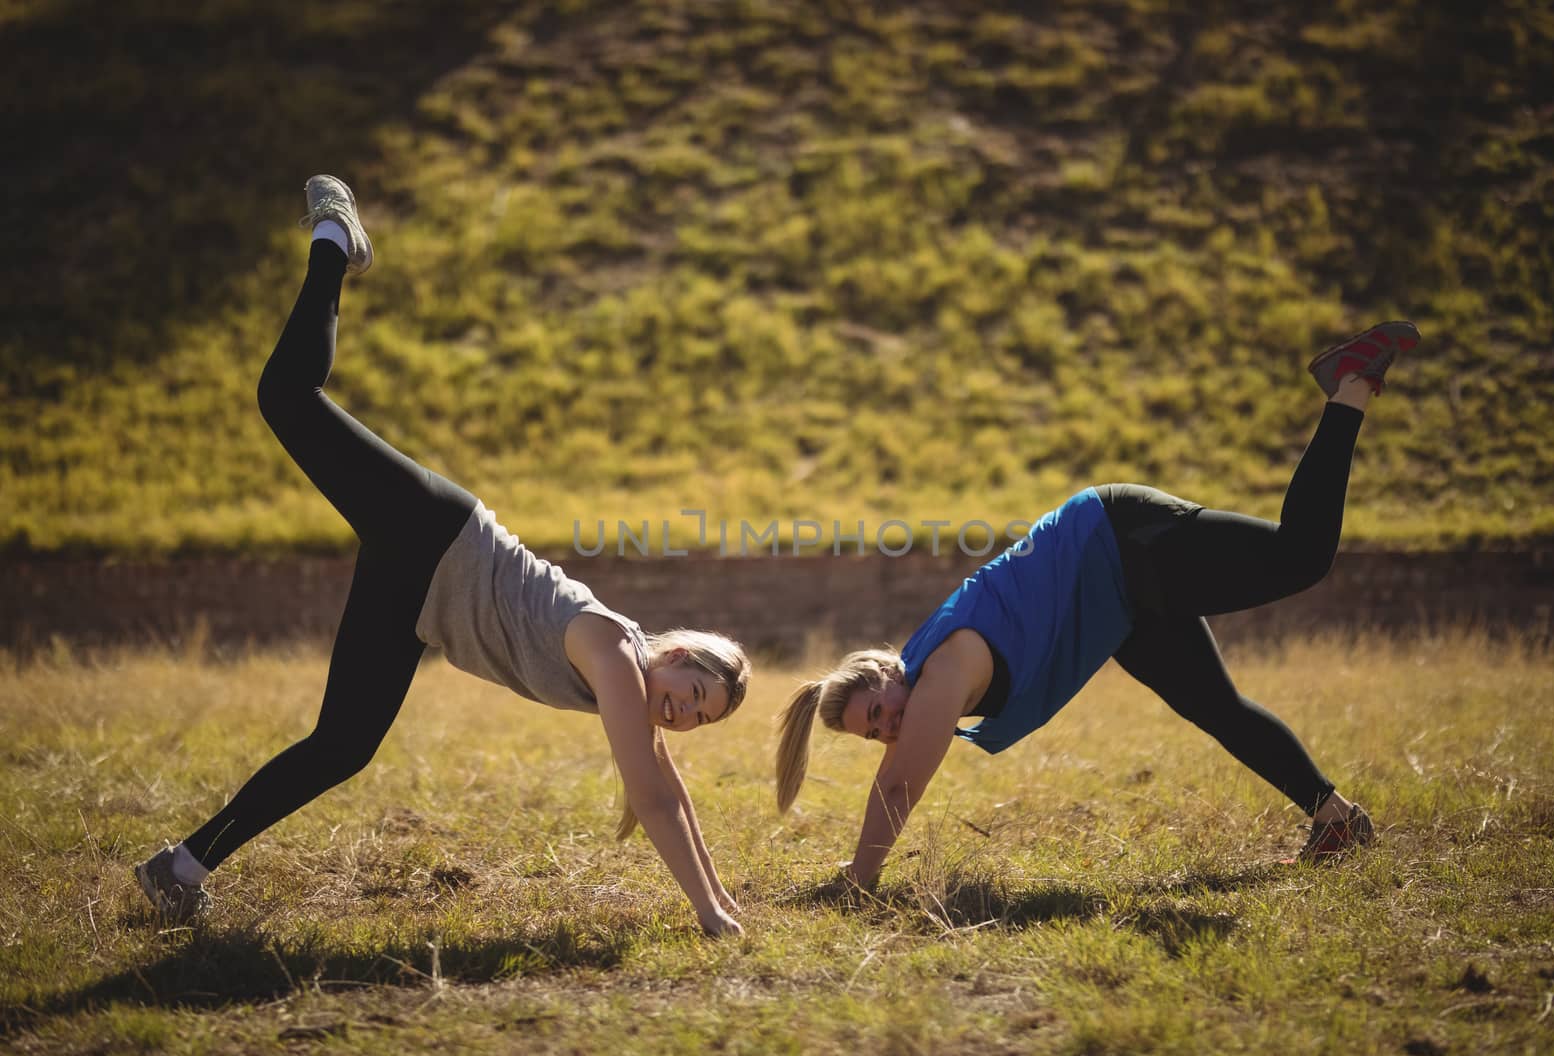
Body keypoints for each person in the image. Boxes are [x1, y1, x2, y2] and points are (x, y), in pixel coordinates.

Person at [135, 176, 749, 937]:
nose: (685, 713)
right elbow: (651, 796)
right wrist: (705, 916)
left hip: (421, 596)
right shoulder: (616, 654)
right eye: (695, 693)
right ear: (681, 653)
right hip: (434, 532)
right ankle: (335, 240)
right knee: (287, 395)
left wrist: (722, 900)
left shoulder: (632, 682)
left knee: (342, 745)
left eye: (698, 718)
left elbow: (669, 786)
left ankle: (179, 870)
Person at [776, 322, 1420, 889]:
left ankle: (1348, 385)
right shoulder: (923, 682)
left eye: (880, 713)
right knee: (1217, 707)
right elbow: (896, 768)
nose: (889, 731)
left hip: (1120, 541)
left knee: (1299, 556)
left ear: (888, 673)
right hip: (1116, 606)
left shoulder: (941, 671)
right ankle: (1336, 819)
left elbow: (896, 785)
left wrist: (857, 879)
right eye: (875, 733)